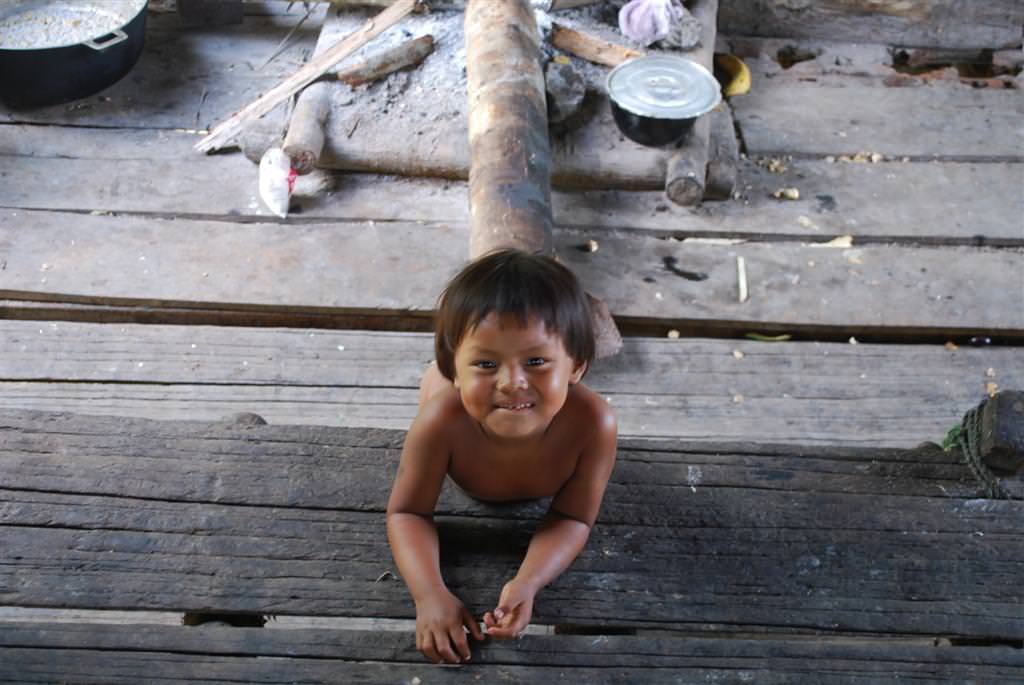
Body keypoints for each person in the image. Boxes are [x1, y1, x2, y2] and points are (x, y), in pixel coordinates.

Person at [386, 248, 618, 665]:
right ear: (455, 371)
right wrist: (430, 594)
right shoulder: (442, 421)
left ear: (577, 366)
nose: (513, 382)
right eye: (486, 363)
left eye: (536, 361)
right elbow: (407, 513)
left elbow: (573, 518)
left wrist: (528, 581)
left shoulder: (593, 424)